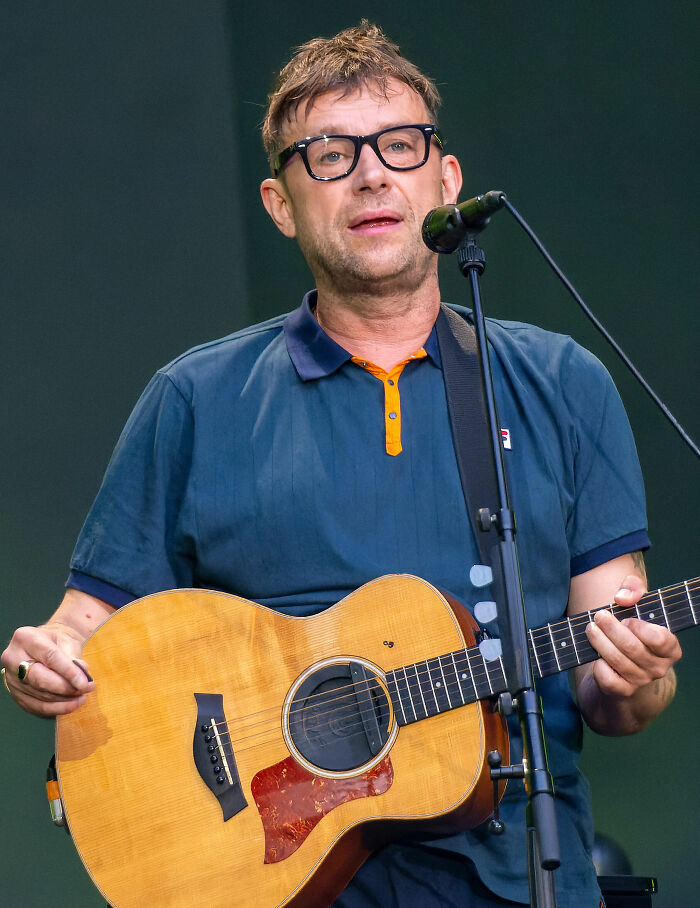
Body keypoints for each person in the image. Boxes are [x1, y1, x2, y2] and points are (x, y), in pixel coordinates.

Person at [1, 21, 682, 908]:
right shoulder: (195, 398)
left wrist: (640, 674)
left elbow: (615, 684)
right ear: (281, 204)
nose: (371, 175)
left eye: (399, 145)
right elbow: (83, 628)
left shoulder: (561, 382)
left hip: (517, 878)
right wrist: (45, 656)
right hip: (274, 880)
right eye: (327, 154)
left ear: (446, 179)